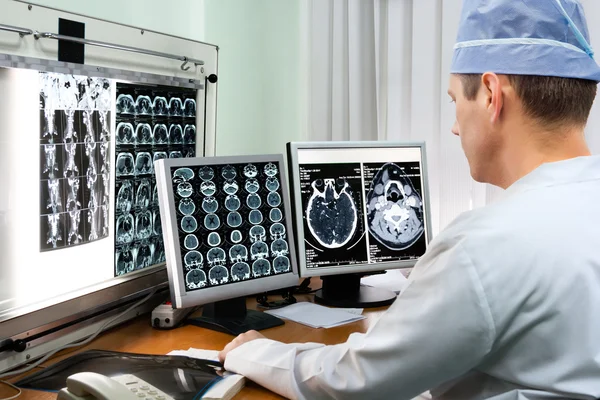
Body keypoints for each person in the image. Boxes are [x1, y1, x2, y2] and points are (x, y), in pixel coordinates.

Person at [218, 1, 600, 399]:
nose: (454, 127)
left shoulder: (485, 246)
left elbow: (355, 382)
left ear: (490, 95)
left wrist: (257, 352)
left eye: (455, 101)